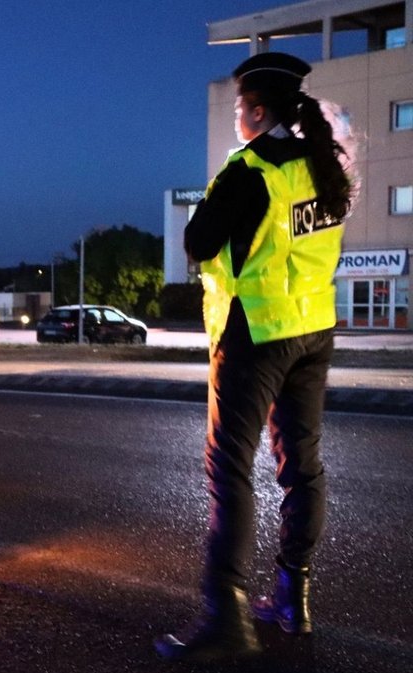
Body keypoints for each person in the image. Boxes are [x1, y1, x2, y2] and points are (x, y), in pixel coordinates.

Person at [157, 52, 355, 662]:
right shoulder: (323, 168)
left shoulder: (248, 170)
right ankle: (293, 600)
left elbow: (197, 243)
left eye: (242, 107)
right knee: (302, 466)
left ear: (257, 110)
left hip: (255, 334)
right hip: (313, 331)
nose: (237, 115)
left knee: (231, 470)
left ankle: (227, 617)